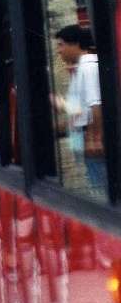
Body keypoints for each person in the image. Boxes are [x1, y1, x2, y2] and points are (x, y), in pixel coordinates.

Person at [55, 24, 106, 194]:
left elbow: (96, 104)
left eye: (61, 45)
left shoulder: (87, 68)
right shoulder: (81, 69)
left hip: (92, 138)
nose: (59, 51)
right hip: (85, 134)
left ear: (75, 44)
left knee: (101, 191)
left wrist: (95, 139)